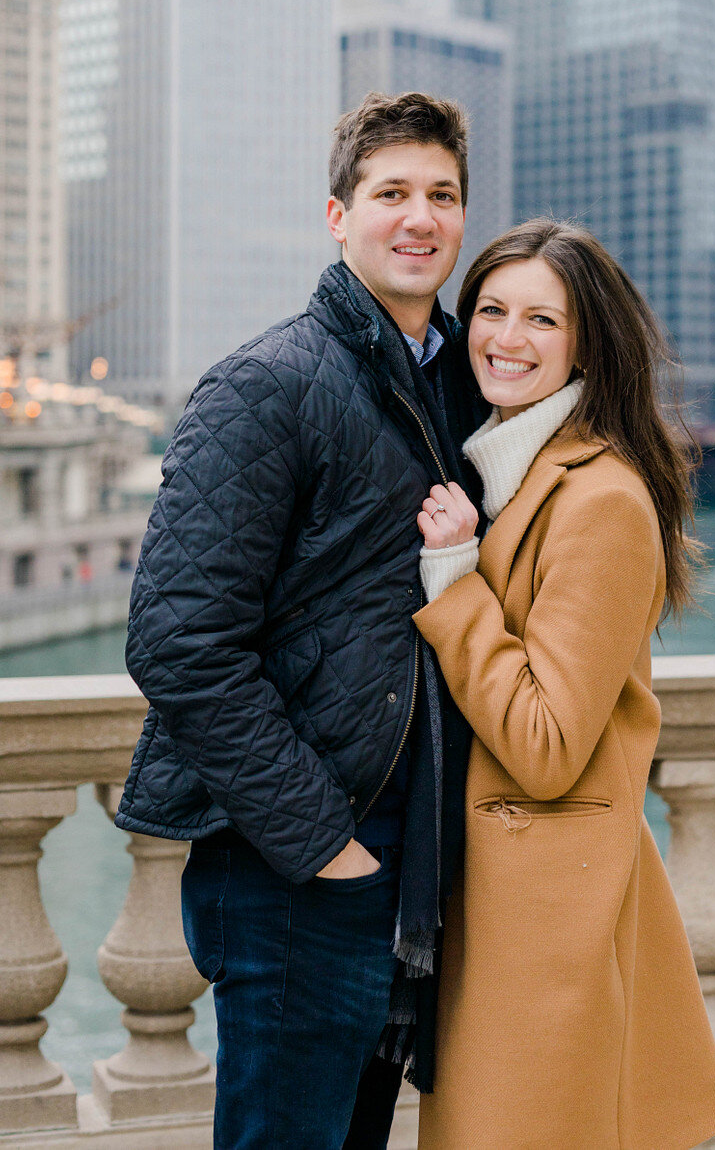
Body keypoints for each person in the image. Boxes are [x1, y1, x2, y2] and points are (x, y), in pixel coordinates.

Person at [115, 92, 483, 1150]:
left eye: (443, 195)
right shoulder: (265, 386)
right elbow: (179, 641)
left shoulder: (462, 389)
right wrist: (325, 848)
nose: (420, 218)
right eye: (392, 194)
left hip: (408, 862)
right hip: (297, 864)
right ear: (338, 216)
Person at [410, 218, 715, 1150]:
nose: (507, 339)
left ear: (587, 340)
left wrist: (454, 581)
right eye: (491, 310)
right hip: (508, 901)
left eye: (542, 321)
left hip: (547, 919)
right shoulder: (508, 466)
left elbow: (548, 747)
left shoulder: (601, 501)